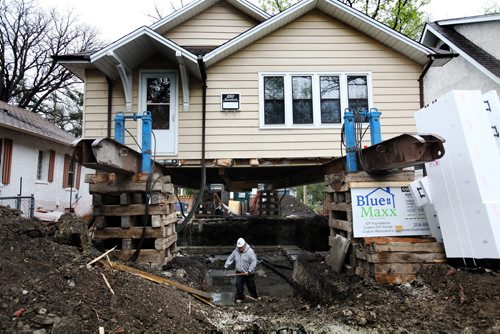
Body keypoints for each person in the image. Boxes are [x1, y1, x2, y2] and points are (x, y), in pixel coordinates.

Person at [224, 237, 258, 303]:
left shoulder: (250, 251)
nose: (240, 249)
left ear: (245, 245)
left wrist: (250, 270)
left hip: (249, 273)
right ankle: (240, 297)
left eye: (241, 247)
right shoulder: (236, 251)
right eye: (239, 247)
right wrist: (226, 266)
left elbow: (254, 261)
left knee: (251, 286)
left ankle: (254, 298)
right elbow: (230, 258)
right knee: (238, 284)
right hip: (239, 272)